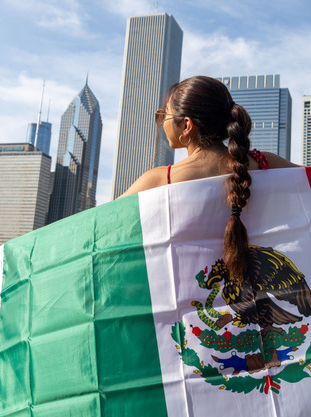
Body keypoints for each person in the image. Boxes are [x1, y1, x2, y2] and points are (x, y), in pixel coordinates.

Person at [121, 75, 297, 283]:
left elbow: (100, 229)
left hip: (188, 304)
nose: (162, 123)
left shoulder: (160, 180)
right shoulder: (266, 163)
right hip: (261, 294)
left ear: (186, 126)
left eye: (164, 115)